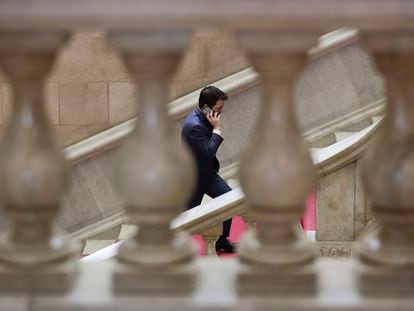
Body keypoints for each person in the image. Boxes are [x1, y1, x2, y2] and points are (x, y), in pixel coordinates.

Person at [181, 86, 235, 253]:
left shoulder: (204, 118)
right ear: (206, 107)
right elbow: (208, 151)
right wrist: (217, 129)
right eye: (219, 108)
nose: (222, 111)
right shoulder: (193, 126)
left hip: (207, 174)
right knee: (185, 220)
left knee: (229, 200)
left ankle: (221, 240)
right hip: (193, 179)